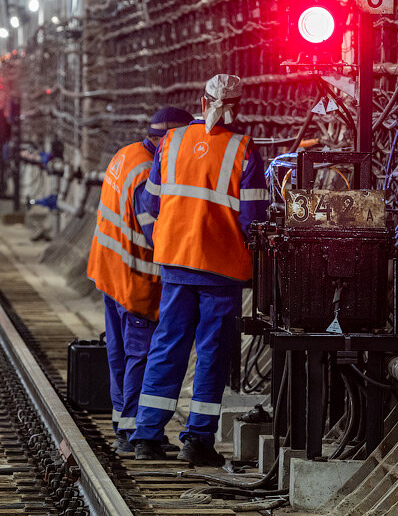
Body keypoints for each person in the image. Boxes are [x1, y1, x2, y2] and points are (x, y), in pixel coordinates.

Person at [132, 74, 269, 464]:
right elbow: (254, 219)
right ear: (238, 106)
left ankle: (147, 436)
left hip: (175, 261)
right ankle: (196, 441)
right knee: (211, 353)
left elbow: (154, 203)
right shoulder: (243, 149)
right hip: (220, 269)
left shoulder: (172, 142)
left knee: (167, 344)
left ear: (201, 101)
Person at [86, 107, 193, 456]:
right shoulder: (149, 173)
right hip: (136, 280)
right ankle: (134, 431)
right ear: (169, 139)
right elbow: (155, 236)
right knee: (140, 355)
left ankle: (122, 422)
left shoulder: (125, 155)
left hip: (109, 270)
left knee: (118, 352)